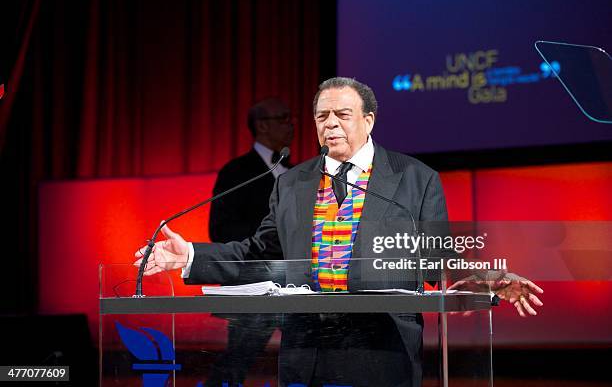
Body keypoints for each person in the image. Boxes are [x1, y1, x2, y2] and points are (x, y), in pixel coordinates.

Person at [135, 77, 543, 386]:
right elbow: (260, 251)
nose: (330, 124)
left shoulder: (416, 179)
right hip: (307, 351)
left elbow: (440, 260)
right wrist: (190, 255)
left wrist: (483, 281)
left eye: (342, 115)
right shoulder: (292, 183)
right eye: (321, 116)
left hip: (383, 351)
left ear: (369, 120)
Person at [206, 98, 293, 386]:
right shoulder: (236, 172)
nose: (291, 124)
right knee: (239, 358)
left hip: (297, 281)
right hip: (254, 282)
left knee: (305, 355)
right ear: (262, 126)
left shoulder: (295, 171)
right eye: (283, 118)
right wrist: (272, 235)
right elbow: (220, 229)